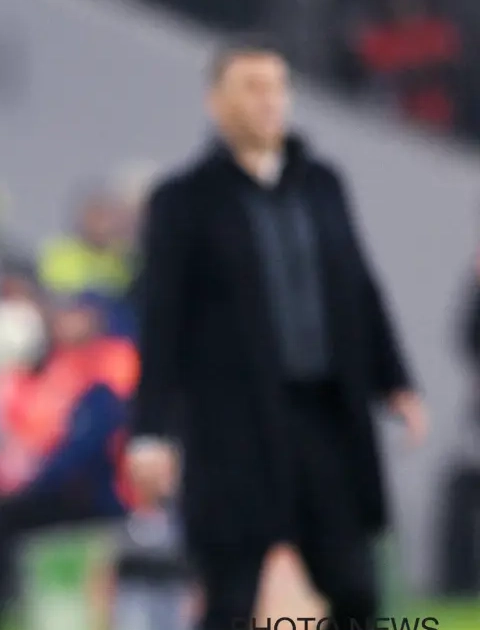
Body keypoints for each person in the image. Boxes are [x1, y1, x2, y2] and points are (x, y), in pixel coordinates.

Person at [127, 41, 427, 630]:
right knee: (231, 593)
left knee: (354, 587)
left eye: (277, 87)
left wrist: (395, 380)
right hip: (232, 428)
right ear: (217, 102)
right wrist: (150, 432)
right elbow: (161, 320)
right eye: (252, 87)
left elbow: (360, 287)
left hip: (324, 419)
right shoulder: (186, 202)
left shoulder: (322, 185)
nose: (269, 101)